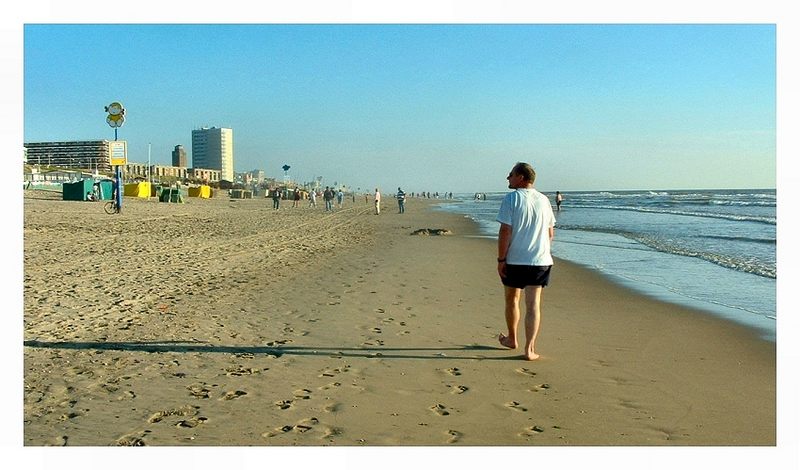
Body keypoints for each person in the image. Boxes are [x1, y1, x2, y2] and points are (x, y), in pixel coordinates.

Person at [496, 162, 556, 361]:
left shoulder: (512, 198)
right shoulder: (545, 200)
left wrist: (501, 259)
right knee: (533, 305)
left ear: (521, 177)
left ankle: (512, 338)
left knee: (512, 299)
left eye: (511, 174)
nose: (508, 178)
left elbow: (505, 231)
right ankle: (529, 349)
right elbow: (550, 233)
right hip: (539, 259)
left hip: (515, 259)